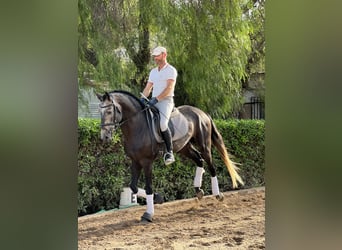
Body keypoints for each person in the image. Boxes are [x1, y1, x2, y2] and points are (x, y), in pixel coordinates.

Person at [141, 46, 177, 165]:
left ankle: (169, 152)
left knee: (162, 124)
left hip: (165, 101)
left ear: (164, 55)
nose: (155, 58)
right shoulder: (153, 72)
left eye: (157, 55)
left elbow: (169, 88)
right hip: (153, 100)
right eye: (154, 56)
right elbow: (148, 88)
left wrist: (156, 99)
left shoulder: (171, 70)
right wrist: (142, 98)